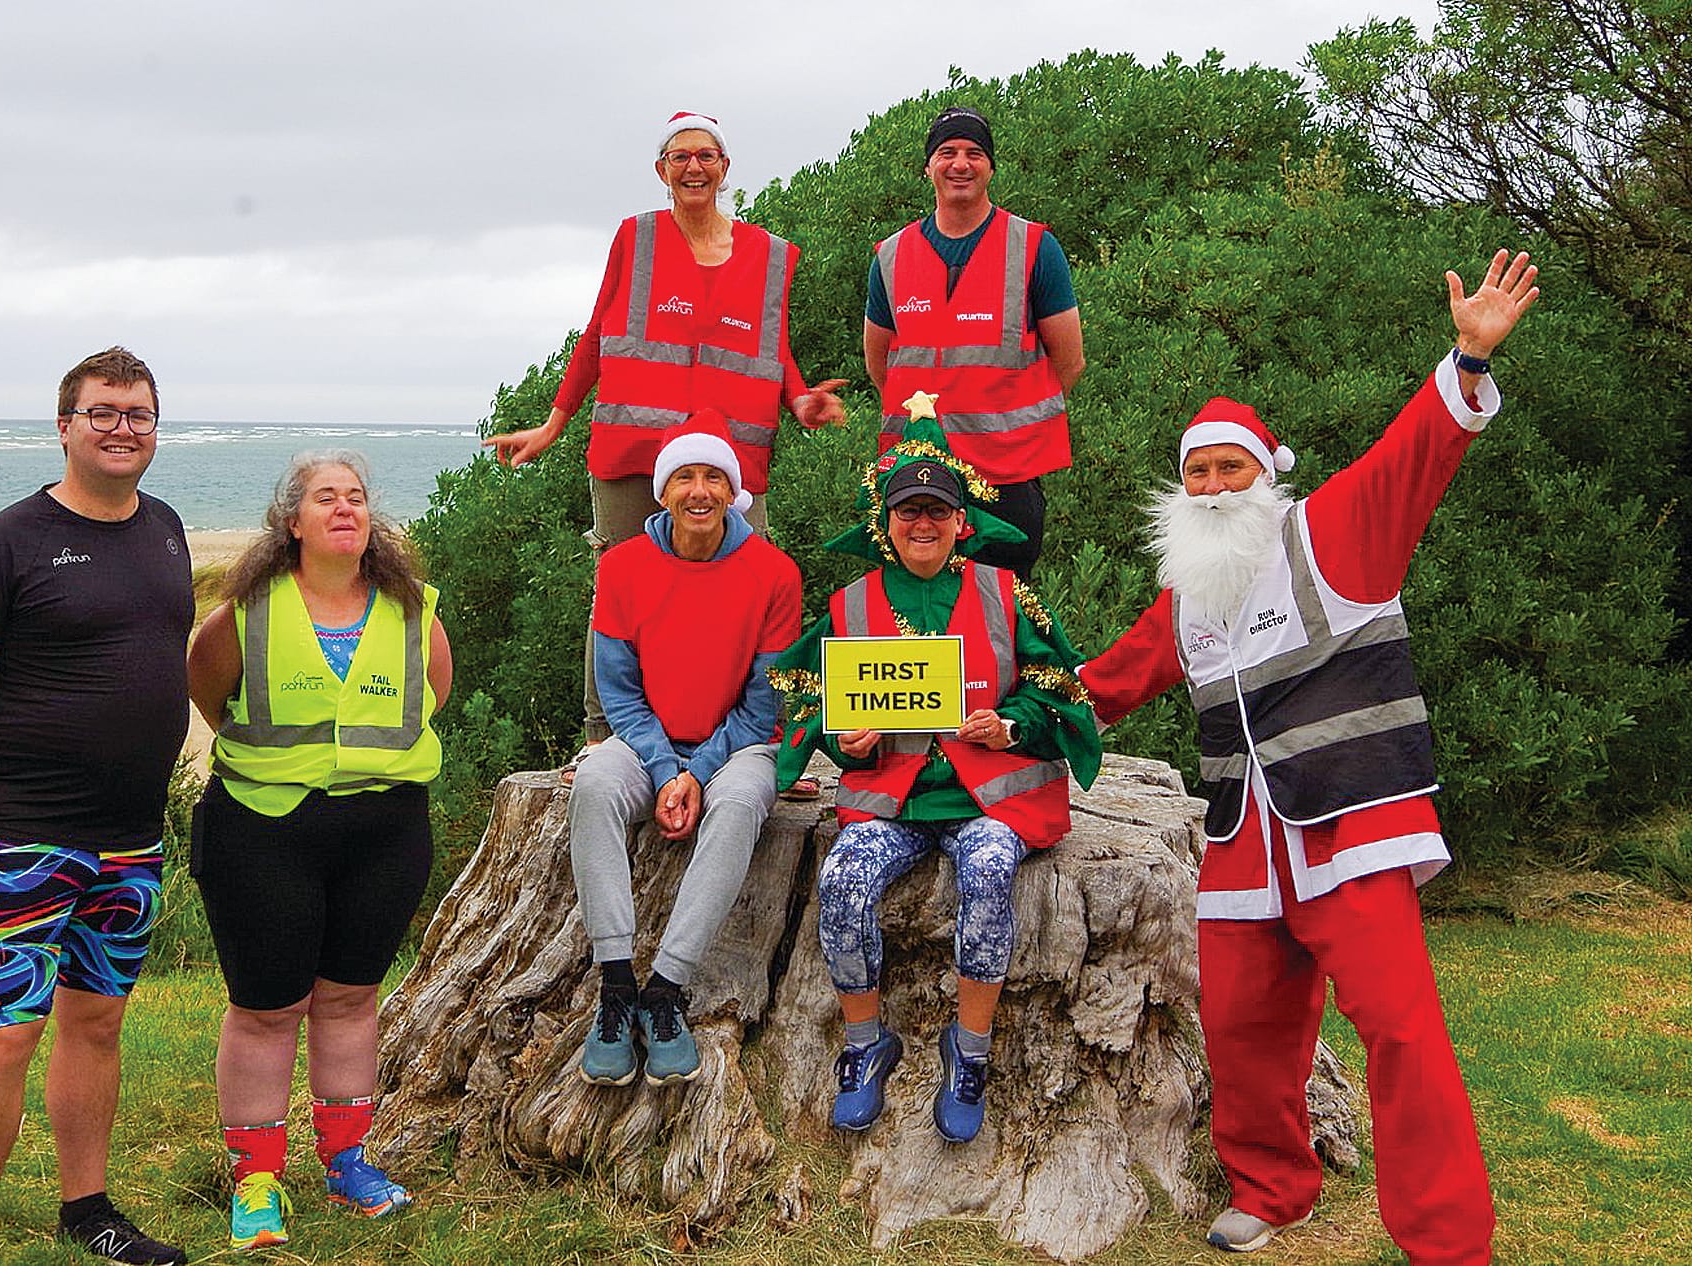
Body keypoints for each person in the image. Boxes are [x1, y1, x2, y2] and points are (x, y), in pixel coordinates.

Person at [1078, 251, 1539, 1261]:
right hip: (1243, 840)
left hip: (1351, 822)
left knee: (1400, 1031)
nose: (1210, 488)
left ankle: (1447, 1242)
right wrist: (1013, 712)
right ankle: (1271, 1188)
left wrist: (1466, 360)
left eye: (1228, 468)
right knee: (1242, 1029)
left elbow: (1412, 453)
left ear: (1265, 474)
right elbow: (1105, 682)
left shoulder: (1332, 533)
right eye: (1196, 471)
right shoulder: (1185, 599)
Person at [770, 403, 1101, 1142]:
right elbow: (811, 700)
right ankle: (865, 1045)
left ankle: (969, 1050)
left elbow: (1061, 688)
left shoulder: (1006, 593)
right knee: (841, 880)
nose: (922, 523)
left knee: (988, 872)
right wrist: (844, 741)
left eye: (937, 511)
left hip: (989, 802)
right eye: (908, 511)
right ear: (885, 521)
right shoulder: (850, 603)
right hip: (892, 801)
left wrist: (1010, 725)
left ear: (961, 520)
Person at [0, 347, 190, 1266]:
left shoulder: (166, 528)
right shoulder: (8, 540)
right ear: (65, 426)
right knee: (7, 1032)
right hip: (24, 838)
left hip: (129, 843)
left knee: (97, 1023)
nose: (123, 428)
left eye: (138, 414)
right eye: (103, 412)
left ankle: (88, 1211)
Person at [484, 109, 845, 750]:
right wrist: (553, 423)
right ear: (662, 170)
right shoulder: (637, 238)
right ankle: (602, 740)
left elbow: (775, 347)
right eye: (681, 157)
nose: (693, 167)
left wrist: (799, 400)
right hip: (632, 450)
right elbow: (598, 334)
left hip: (732, 456)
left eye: (706, 156)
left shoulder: (770, 255)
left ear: (725, 168)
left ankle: (762, 743)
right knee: (616, 589)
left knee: (754, 587)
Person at [186, 451, 451, 1251]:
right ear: (291, 522)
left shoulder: (413, 608)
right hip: (262, 827)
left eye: (356, 497)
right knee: (266, 1009)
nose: (344, 508)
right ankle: (256, 1179)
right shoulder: (247, 612)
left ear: (372, 519)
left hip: (383, 831)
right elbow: (208, 691)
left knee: (349, 999)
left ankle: (346, 1162)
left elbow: (433, 694)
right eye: (325, 498)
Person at [569, 410, 803, 1086]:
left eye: (713, 478)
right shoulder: (622, 567)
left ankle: (665, 989)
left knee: (740, 803)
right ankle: (617, 985)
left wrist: (696, 773)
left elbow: (763, 705)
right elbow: (618, 693)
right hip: (646, 741)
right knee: (594, 785)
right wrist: (666, 767)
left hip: (737, 746)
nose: (699, 491)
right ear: (662, 492)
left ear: (733, 492)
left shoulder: (774, 573)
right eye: (683, 478)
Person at [863, 105, 1086, 578]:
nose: (960, 164)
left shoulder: (1034, 247)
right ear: (928, 167)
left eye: (974, 153)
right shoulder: (891, 255)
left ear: (990, 167)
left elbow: (1070, 362)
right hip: (916, 476)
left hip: (1008, 478)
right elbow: (879, 364)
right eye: (947, 152)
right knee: (921, 606)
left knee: (1003, 609)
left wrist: (1007, 422)